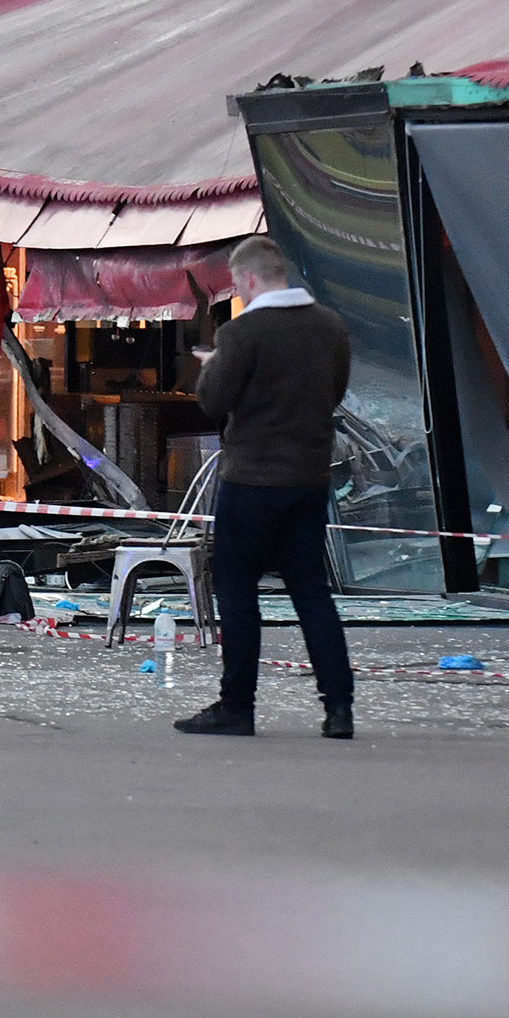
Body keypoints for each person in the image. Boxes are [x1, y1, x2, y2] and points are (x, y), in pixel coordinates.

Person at [176, 234, 356, 741]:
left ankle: (238, 705)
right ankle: (338, 707)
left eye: (236, 283)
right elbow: (335, 390)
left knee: (236, 591)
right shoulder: (330, 326)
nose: (238, 291)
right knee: (311, 593)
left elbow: (212, 402)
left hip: (252, 478)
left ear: (249, 279)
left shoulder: (241, 333)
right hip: (309, 478)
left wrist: (211, 367)